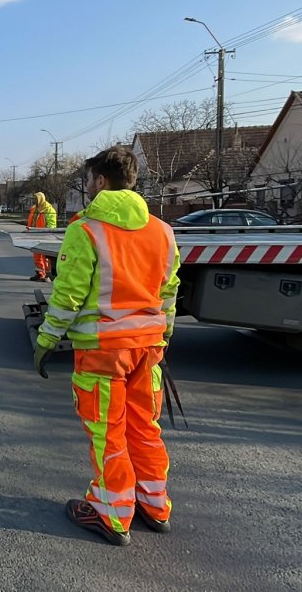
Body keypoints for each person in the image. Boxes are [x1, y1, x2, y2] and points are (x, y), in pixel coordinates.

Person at [32, 145, 181, 547]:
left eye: (88, 181)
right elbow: (169, 293)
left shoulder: (87, 230)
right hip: (147, 349)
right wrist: (162, 335)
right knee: (145, 427)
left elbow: (68, 294)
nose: (87, 187)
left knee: (107, 431)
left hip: (103, 351)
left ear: (100, 181)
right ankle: (154, 504)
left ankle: (113, 513)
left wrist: (46, 340)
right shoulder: (162, 231)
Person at [27, 192, 57, 281]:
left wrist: (47, 232)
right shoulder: (34, 209)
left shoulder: (49, 210)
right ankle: (40, 273)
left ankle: (48, 275)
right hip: (35, 235)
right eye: (34, 199)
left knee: (46, 256)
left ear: (41, 199)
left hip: (45, 236)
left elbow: (52, 224)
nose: (35, 201)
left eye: (36, 199)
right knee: (37, 256)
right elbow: (32, 221)